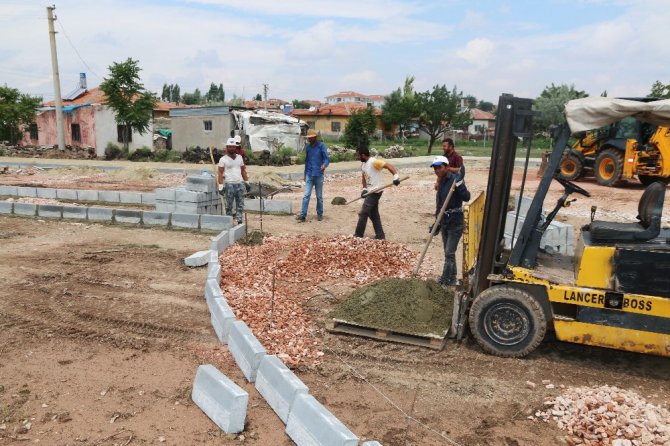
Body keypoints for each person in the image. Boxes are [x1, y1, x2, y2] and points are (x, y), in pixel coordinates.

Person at [431, 155, 470, 287]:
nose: (437, 170)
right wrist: (436, 222)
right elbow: (440, 204)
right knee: (448, 253)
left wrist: (459, 184)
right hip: (445, 222)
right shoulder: (441, 182)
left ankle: (445, 280)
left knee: (449, 252)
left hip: (456, 222)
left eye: (439, 168)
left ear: (446, 167)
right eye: (435, 168)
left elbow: (467, 197)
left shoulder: (455, 180)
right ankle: (452, 278)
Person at [354, 146, 401, 240]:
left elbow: (388, 166)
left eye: (358, 156)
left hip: (376, 192)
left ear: (363, 155)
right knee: (374, 214)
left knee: (363, 213)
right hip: (370, 192)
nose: (357, 157)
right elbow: (364, 177)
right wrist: (364, 189)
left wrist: (395, 176)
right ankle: (380, 235)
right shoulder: (363, 165)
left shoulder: (374, 162)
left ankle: (358, 235)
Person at [297, 130, 329, 222]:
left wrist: (324, 165)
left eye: (310, 137)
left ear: (315, 137)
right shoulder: (308, 147)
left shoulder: (321, 146)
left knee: (319, 197)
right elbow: (306, 162)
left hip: (319, 175)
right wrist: (304, 174)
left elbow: (327, 159)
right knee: (306, 195)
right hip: (309, 175)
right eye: (308, 138)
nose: (309, 139)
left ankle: (320, 214)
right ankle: (303, 215)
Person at [217, 137, 249, 225]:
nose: (232, 148)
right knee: (229, 205)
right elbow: (220, 173)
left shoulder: (239, 158)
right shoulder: (223, 159)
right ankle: (229, 221)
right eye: (230, 147)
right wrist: (220, 186)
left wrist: (247, 182)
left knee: (240, 204)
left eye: (233, 147)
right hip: (229, 185)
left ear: (236, 148)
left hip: (240, 184)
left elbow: (243, 170)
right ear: (227, 148)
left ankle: (239, 220)